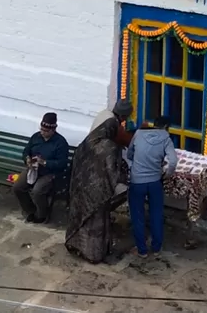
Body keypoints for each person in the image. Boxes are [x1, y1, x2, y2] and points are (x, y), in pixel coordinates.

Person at [65, 114, 125, 263]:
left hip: (80, 187)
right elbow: (113, 171)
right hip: (99, 191)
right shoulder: (110, 147)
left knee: (79, 218)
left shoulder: (87, 142)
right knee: (96, 223)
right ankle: (93, 254)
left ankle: (75, 245)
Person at [124, 113, 177, 256]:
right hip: (154, 181)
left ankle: (141, 250)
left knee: (137, 215)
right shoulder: (166, 138)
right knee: (156, 214)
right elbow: (172, 161)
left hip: (137, 181)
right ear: (166, 127)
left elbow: (129, 154)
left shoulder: (139, 134)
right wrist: (166, 174)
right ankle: (156, 248)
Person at [14, 112, 70, 223]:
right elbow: (26, 151)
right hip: (33, 169)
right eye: (42, 129)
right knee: (18, 187)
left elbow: (62, 163)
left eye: (46, 131)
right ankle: (30, 210)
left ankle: (42, 215)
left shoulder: (60, 143)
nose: (43, 133)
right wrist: (27, 159)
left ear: (53, 130)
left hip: (50, 173)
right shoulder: (36, 137)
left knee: (38, 190)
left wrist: (45, 162)